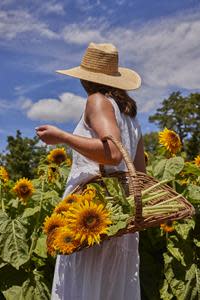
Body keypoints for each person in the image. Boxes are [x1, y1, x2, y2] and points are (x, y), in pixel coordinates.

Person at [36, 42, 146, 300]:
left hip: (89, 218)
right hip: (118, 219)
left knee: (85, 287)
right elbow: (140, 173)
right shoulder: (132, 117)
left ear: (87, 78)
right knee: (112, 288)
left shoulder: (97, 101)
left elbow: (113, 152)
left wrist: (62, 136)